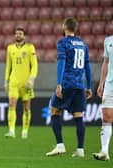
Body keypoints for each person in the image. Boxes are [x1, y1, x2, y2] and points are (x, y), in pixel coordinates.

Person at [46, 18, 92, 157]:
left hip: (67, 82)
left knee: (54, 110)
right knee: (78, 116)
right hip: (79, 84)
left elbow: (62, 62)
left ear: (64, 27)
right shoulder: (83, 44)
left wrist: (59, 83)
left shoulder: (63, 42)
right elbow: (87, 66)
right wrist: (88, 86)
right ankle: (80, 150)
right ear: (76, 28)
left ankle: (60, 145)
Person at [4, 27, 38, 139]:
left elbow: (34, 65)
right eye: (16, 33)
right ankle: (11, 130)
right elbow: (8, 65)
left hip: (26, 83)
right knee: (11, 104)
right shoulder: (10, 48)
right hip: (14, 81)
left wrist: (31, 79)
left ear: (24, 36)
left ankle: (24, 131)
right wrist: (6, 81)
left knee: (26, 107)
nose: (18, 35)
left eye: (20, 33)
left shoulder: (30, 48)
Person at [92, 34, 113, 161]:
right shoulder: (108, 40)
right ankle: (104, 151)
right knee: (106, 117)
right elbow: (106, 62)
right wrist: (101, 83)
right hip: (110, 85)